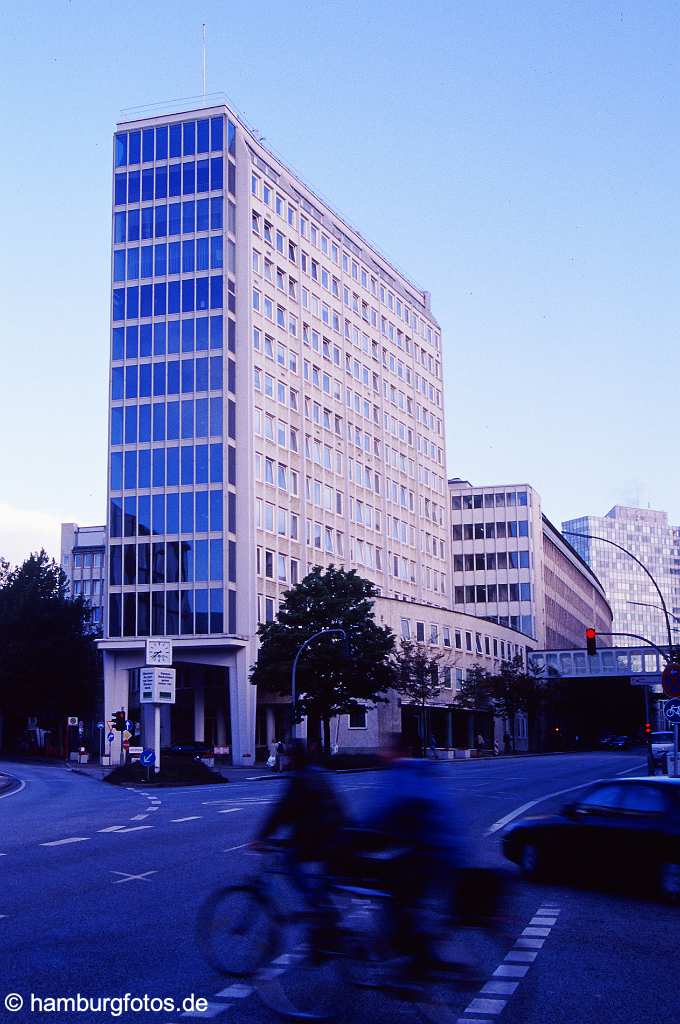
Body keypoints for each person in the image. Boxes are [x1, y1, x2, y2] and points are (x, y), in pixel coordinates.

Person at [359, 733, 468, 979]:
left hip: (431, 853)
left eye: (386, 749)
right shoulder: (422, 771)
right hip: (448, 849)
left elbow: (380, 814)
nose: (381, 753)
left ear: (396, 753)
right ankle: (418, 949)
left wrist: (356, 836)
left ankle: (417, 963)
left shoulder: (400, 775)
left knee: (397, 896)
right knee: (414, 898)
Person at [253, 740, 348, 949]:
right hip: (337, 833)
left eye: (288, 756)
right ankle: (322, 924)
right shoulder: (316, 772)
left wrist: (262, 837)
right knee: (319, 875)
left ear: (294, 757)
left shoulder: (300, 779)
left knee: (290, 861)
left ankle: (317, 907)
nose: (285, 759)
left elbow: (282, 811)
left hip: (322, 836)